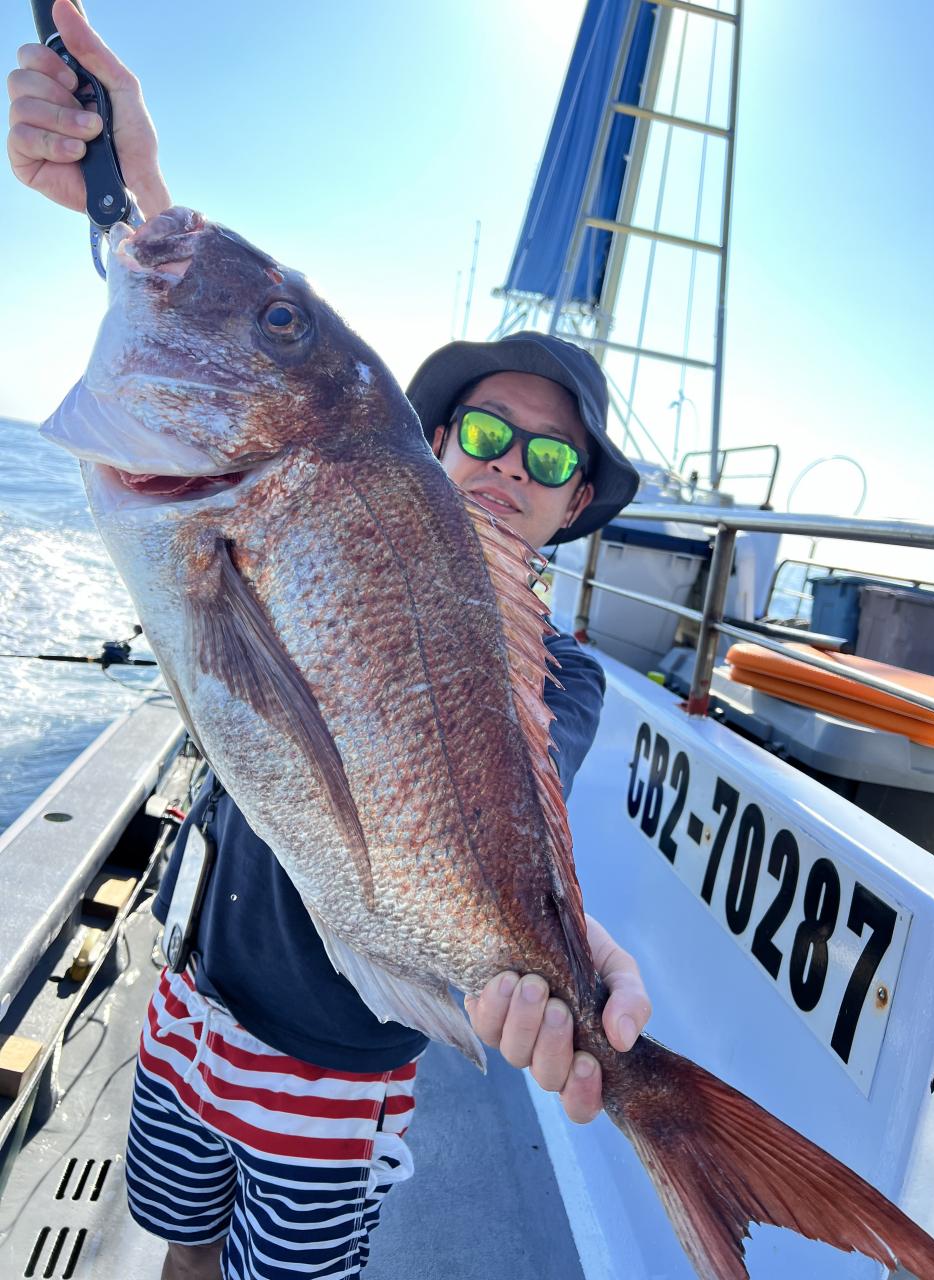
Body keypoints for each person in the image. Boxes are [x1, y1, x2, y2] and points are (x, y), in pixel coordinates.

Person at [8, 7, 651, 1279]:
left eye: (550, 458)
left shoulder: (564, 680)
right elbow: (220, 360)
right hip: (188, 991)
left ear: (579, 499)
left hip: (335, 1066)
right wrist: (132, 191)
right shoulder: (303, 498)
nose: (509, 468)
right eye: (484, 435)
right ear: (432, 442)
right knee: (180, 1240)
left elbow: (507, 811)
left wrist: (571, 955)